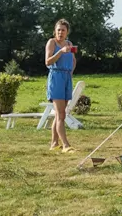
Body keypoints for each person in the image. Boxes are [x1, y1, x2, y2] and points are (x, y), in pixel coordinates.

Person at [44, 18, 76, 153]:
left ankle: (54, 143)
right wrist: (60, 52)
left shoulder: (69, 44)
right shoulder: (52, 42)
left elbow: (73, 60)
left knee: (59, 115)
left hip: (66, 77)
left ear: (67, 32)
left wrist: (70, 73)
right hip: (56, 77)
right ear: (55, 31)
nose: (60, 33)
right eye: (58, 30)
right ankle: (66, 145)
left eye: (63, 30)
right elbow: (48, 62)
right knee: (61, 114)